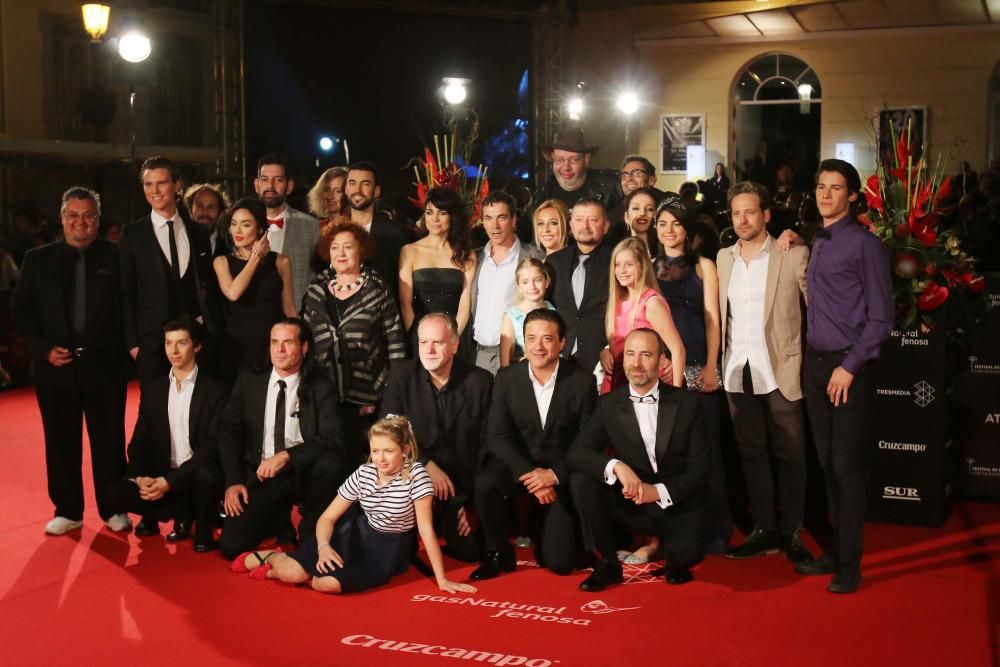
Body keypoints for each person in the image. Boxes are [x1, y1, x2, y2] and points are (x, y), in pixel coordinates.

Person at [230, 416, 477, 596]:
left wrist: (442, 579)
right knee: (294, 573)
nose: (380, 458)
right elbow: (327, 518)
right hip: (353, 535)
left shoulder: (417, 477)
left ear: (405, 450)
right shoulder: (364, 473)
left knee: (327, 583)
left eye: (388, 451)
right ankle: (274, 557)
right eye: (375, 451)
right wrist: (324, 547)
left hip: (387, 549)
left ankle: (282, 570)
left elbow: (425, 530)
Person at [796, 159, 893, 594]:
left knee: (847, 468)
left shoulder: (865, 246)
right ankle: (835, 552)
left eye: (836, 188)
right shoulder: (818, 240)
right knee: (826, 464)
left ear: (853, 196)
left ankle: (850, 564)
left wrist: (849, 367)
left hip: (847, 367)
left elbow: (881, 318)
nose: (826, 194)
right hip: (815, 364)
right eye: (821, 187)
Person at [12, 186, 131, 535]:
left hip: (105, 369)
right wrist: (43, 349)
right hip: (55, 369)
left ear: (98, 219)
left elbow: (128, 309)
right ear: (63, 219)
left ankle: (114, 509)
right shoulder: (37, 259)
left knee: (109, 442)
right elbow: (21, 311)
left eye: (88, 216)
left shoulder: (116, 257)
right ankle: (67, 510)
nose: (81, 222)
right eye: (74, 215)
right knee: (60, 442)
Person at [568, 328, 711, 590]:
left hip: (677, 504)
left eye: (646, 355)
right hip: (633, 506)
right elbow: (577, 452)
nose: (636, 363)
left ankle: (670, 549)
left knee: (681, 564)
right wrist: (617, 466)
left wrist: (655, 491)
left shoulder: (688, 404)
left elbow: (701, 472)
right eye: (631, 354)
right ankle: (608, 563)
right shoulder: (608, 404)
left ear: (661, 360)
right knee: (581, 479)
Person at [714, 181, 812, 566]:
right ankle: (764, 529)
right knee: (751, 454)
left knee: (791, 454)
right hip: (737, 368)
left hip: (781, 367)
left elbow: (815, 309)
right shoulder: (723, 259)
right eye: (736, 213)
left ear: (766, 215)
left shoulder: (792, 252)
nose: (742, 219)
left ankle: (792, 531)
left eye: (750, 211)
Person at [471, 310, 596, 580]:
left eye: (547, 339)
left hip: (559, 471)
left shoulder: (582, 382)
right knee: (485, 482)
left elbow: (588, 442)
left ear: (562, 342)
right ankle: (498, 554)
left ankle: (546, 528)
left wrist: (554, 475)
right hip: (519, 464)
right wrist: (529, 476)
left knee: (561, 564)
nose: (538, 347)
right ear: (523, 342)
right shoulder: (506, 378)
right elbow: (496, 436)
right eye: (531, 338)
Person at [218, 318, 348, 559]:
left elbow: (332, 437)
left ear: (305, 347)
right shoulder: (250, 379)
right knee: (231, 546)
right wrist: (233, 481)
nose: (279, 350)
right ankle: (276, 522)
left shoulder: (320, 384)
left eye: (288, 343)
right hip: (263, 474)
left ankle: (310, 535)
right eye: (274, 342)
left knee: (331, 464)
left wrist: (287, 456)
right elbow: (229, 431)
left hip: (304, 471)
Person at [104, 318, 227, 551]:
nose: (174, 350)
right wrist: (141, 477)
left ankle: (201, 526)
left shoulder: (215, 390)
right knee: (112, 495)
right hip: (162, 475)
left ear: (196, 346)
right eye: (169, 343)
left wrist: (170, 482)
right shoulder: (155, 389)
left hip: (195, 475)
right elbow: (140, 441)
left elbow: (212, 448)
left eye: (181, 343)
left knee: (208, 475)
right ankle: (181, 513)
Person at [379, 312, 492, 563]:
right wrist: (425, 464)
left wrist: (474, 503)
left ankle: (447, 522)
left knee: (472, 553)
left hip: (459, 488)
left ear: (454, 344)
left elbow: (489, 445)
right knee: (396, 557)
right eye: (423, 342)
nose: (428, 350)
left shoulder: (480, 381)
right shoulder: (402, 376)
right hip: (412, 482)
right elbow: (388, 436)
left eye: (437, 343)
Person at [654, 196, 732, 553]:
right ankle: (675, 528)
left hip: (700, 365)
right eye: (663, 224)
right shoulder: (648, 266)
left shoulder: (704, 266)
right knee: (669, 454)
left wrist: (713, 365)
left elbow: (713, 318)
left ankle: (715, 528)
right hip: (663, 368)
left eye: (676, 224)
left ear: (687, 229)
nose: (669, 231)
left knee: (707, 452)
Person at [301, 221, 407, 460]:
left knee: (362, 463)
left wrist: (389, 396)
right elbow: (305, 340)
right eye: (335, 247)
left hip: (367, 398)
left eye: (347, 247)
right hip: (324, 397)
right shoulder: (316, 290)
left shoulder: (378, 289)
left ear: (361, 251)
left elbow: (396, 344)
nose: (340, 253)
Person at [119, 156, 221, 381]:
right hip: (152, 346)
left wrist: (209, 331)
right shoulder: (132, 235)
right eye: (148, 184)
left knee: (197, 411)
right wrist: (133, 345)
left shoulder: (198, 232)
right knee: (155, 412)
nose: (154, 190)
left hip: (197, 342)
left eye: (161, 183)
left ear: (177, 185)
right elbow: (126, 293)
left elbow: (206, 285)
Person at [213, 197, 297, 383]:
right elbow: (233, 293)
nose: (238, 230)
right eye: (233, 224)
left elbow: (289, 308)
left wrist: (300, 341)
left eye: (245, 224)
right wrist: (255, 258)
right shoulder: (221, 262)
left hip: (271, 348)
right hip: (235, 349)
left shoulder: (281, 262)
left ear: (260, 229)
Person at [470, 191, 544, 374]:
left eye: (501, 217)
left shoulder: (534, 257)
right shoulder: (475, 258)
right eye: (488, 218)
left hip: (518, 353)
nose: (494, 225)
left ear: (513, 220)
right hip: (479, 354)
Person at [600, 237, 686, 393]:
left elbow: (677, 349)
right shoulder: (617, 301)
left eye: (629, 265)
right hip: (616, 381)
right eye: (617, 265)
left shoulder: (651, 303)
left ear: (642, 266)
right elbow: (619, 340)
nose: (622, 271)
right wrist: (606, 351)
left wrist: (677, 396)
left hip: (647, 383)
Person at [398, 187, 477, 356]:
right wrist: (418, 338)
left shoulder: (466, 255)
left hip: (455, 337)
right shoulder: (409, 251)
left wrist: (453, 339)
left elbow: (465, 304)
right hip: (419, 337)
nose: (434, 219)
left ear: (452, 217)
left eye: (442, 212)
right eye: (429, 212)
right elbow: (405, 303)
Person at [546, 197, 614, 375]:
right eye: (579, 220)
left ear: (606, 225)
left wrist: (610, 347)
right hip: (560, 356)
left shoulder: (617, 262)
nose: (585, 226)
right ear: (571, 225)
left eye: (593, 220)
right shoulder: (554, 262)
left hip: (602, 359)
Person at [253, 154, 320, 305]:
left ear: (289, 186)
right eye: (264, 179)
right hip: (252, 320)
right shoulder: (239, 226)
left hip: (296, 318)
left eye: (278, 180)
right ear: (257, 185)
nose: (270, 186)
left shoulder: (311, 227)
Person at [345, 161, 413, 298]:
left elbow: (404, 283)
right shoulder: (335, 232)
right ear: (346, 189)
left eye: (365, 184)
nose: (357, 190)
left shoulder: (396, 233)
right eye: (352, 183)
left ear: (376, 191)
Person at [527, 127, 621, 218]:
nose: (566, 167)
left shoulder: (612, 187)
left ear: (586, 159)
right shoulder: (539, 199)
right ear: (552, 158)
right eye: (560, 160)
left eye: (573, 160)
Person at [500, 257, 555, 367]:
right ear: (518, 286)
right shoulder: (511, 316)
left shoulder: (553, 310)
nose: (532, 287)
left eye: (538, 280)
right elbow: (505, 363)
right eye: (525, 282)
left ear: (547, 281)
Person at [183, 183, 231, 257]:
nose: (205, 213)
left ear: (219, 212)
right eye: (199, 206)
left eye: (211, 207)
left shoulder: (229, 249)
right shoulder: (178, 242)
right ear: (190, 209)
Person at [608, 186, 660, 251]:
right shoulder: (614, 249)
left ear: (656, 215)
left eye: (650, 209)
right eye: (636, 208)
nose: (642, 213)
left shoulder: (664, 249)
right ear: (626, 216)